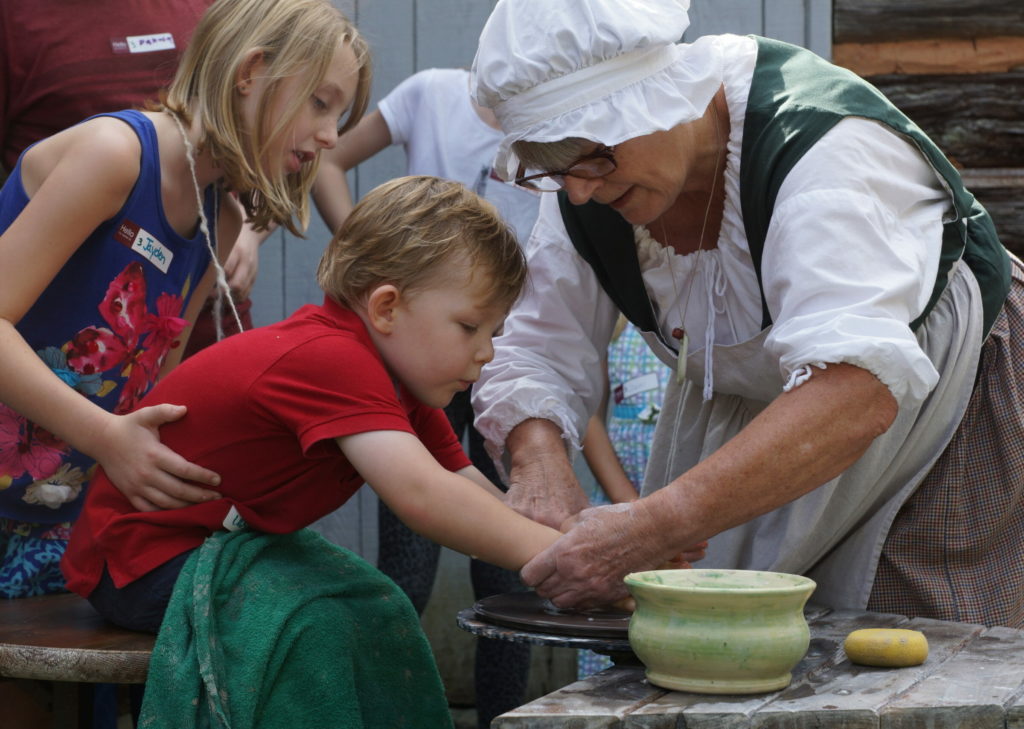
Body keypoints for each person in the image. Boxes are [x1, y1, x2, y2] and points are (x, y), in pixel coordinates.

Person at [470, 0, 1024, 628]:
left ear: (660, 97)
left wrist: (652, 526)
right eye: (554, 164)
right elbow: (535, 347)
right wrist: (539, 465)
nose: (578, 190)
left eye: (593, 155)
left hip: (936, 403)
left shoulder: (822, 151)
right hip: (760, 413)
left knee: (901, 641)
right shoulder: (589, 178)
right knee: (714, 635)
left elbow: (857, 392)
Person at [60, 175, 563, 726]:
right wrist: (562, 561)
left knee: (377, 603)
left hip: (211, 550)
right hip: (140, 561)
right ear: (387, 308)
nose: (487, 353)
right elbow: (423, 494)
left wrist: (570, 543)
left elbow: (464, 481)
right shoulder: (332, 358)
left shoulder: (400, 382)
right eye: (470, 327)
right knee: (315, 622)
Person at [0, 0, 371, 599]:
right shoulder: (116, 154)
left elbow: (154, 394)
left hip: (57, 513)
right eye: (319, 102)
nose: (331, 135)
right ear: (250, 73)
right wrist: (105, 438)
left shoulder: (218, 222)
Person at [313, 66, 541, 728]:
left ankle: (505, 719)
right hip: (422, 357)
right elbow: (330, 158)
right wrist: (374, 253)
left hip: (507, 362)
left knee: (508, 580)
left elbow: (461, 479)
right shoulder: (433, 94)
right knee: (405, 572)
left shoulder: (560, 127)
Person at [0, 0, 264, 362]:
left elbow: (281, 128)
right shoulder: (15, 18)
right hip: (64, 349)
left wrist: (250, 230)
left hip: (196, 325)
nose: (330, 135)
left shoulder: (228, 219)